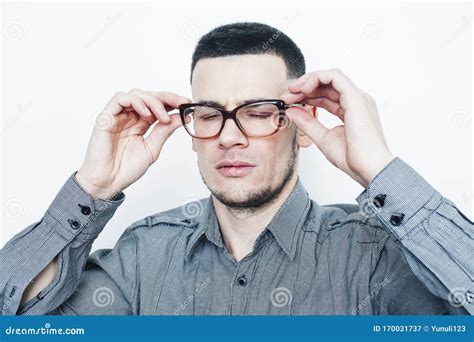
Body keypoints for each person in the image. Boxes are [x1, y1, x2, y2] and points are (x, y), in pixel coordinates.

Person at [0, 22, 472, 315]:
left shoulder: (375, 255)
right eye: (208, 114)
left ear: (302, 129)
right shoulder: (143, 256)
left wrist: (380, 170)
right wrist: (92, 187)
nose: (228, 136)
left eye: (259, 112)